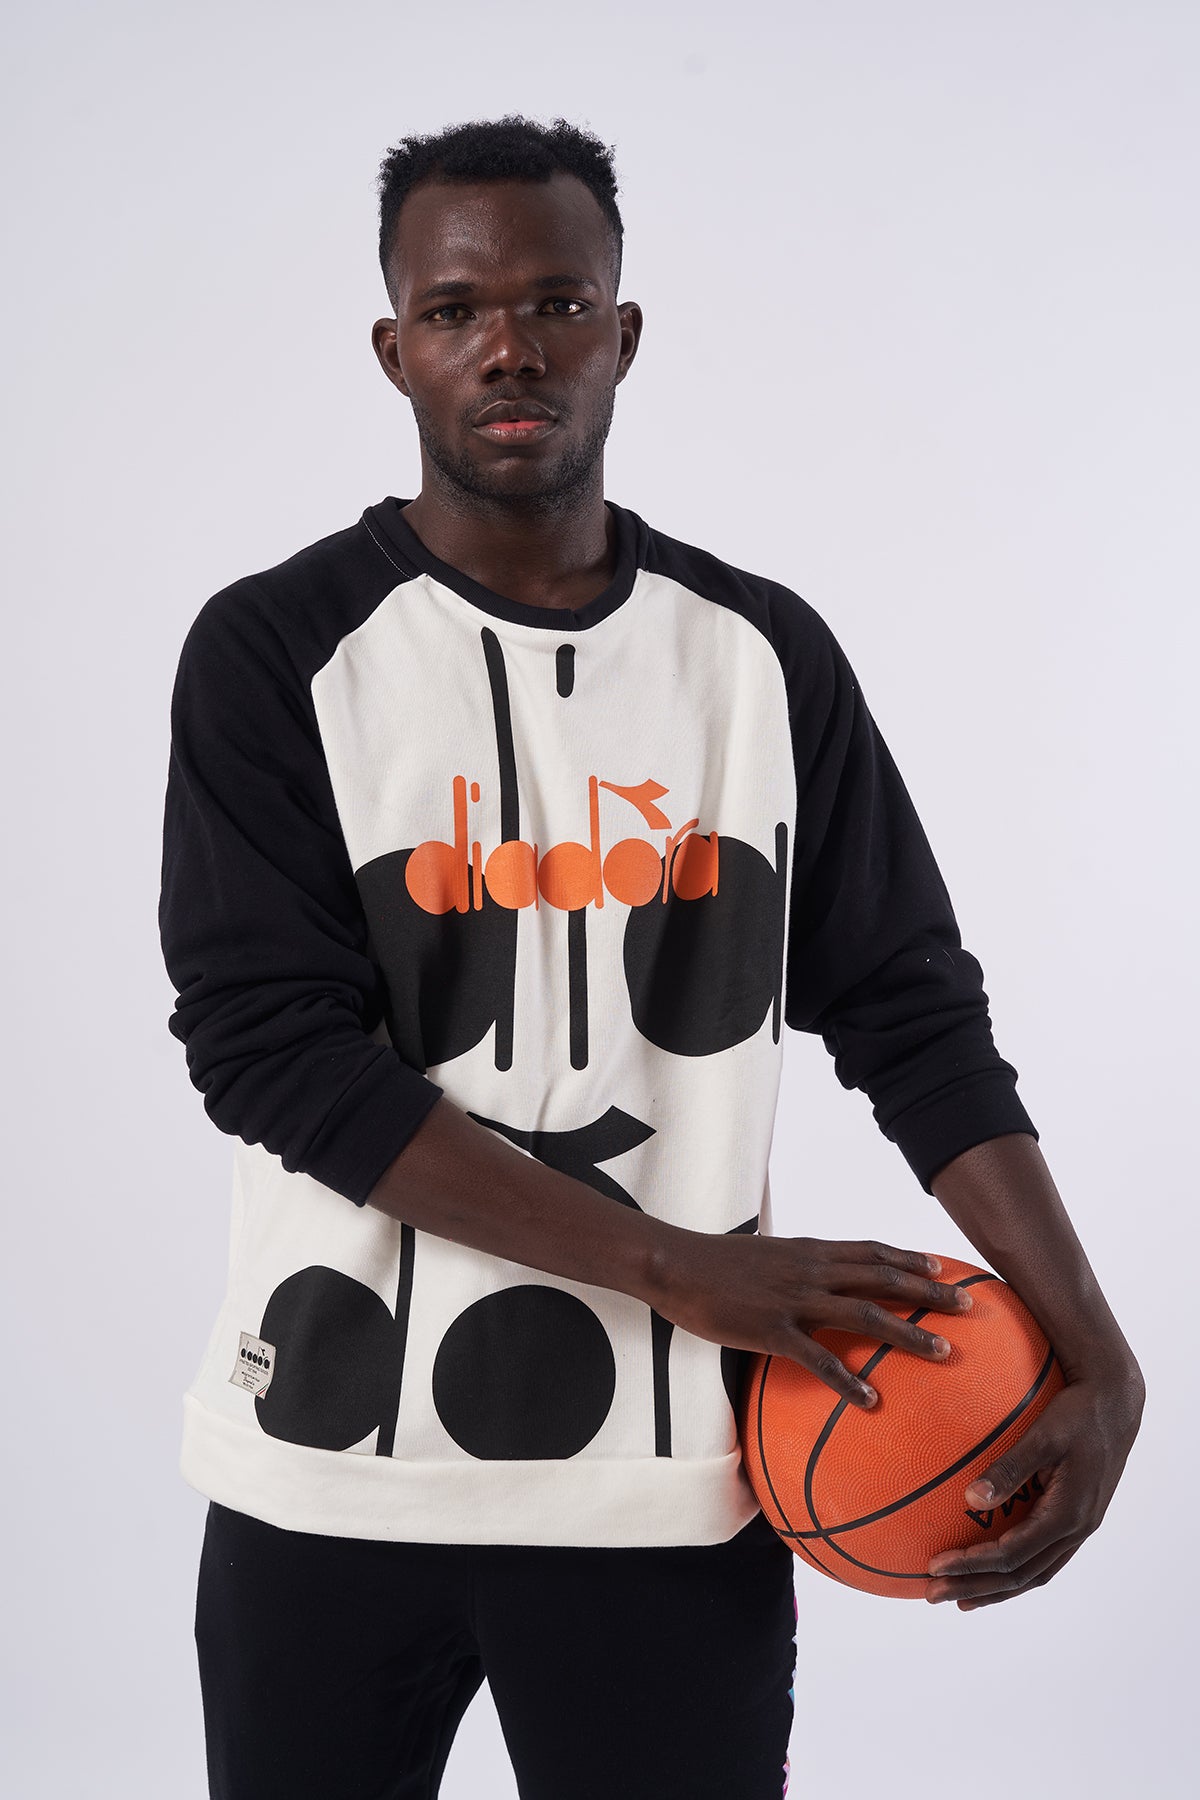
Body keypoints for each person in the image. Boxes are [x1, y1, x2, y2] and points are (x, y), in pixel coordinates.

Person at [159, 115, 1144, 1800]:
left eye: (557, 302)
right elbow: (272, 1056)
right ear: (395, 350)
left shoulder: (762, 660)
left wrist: (1098, 1354)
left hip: (675, 1490)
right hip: (328, 1471)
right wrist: (676, 1267)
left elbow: (912, 1016)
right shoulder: (274, 649)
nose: (510, 347)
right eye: (457, 309)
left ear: (622, 333)